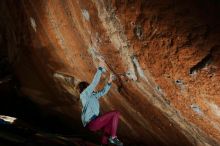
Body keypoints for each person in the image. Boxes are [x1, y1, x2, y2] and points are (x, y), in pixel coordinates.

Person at [77, 59, 123, 146]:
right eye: (89, 87)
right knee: (115, 113)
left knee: (110, 121)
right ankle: (113, 138)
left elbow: (102, 92)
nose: (93, 89)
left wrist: (109, 81)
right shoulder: (84, 95)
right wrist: (100, 67)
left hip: (95, 122)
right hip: (91, 123)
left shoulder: (93, 95)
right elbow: (94, 83)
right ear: (86, 88)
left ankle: (104, 143)